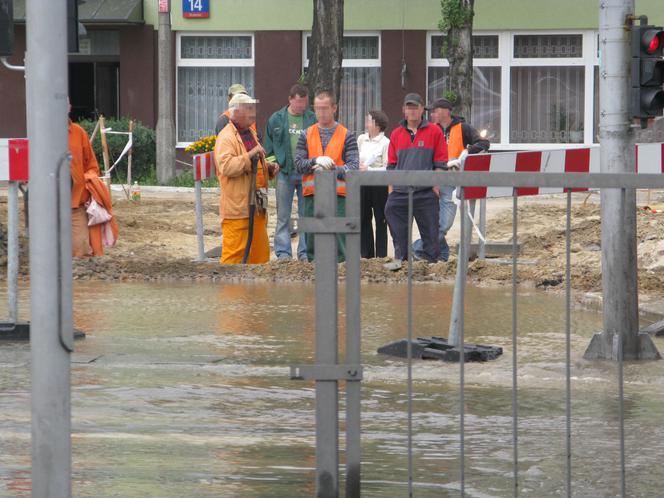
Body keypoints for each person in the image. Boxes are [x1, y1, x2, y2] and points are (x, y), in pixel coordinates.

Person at [413, 98, 490, 261]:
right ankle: (442, 255)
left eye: (435, 110)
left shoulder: (463, 128)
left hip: (450, 180)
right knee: (433, 221)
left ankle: (417, 248)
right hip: (432, 180)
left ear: (446, 111)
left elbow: (483, 143)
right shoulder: (430, 129)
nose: (432, 114)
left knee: (444, 224)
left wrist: (465, 154)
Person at [383, 93, 448, 269]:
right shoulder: (396, 134)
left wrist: (436, 187)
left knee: (430, 236)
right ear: (403, 110)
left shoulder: (435, 131)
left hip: (425, 192)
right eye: (408, 107)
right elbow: (391, 166)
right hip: (400, 192)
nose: (411, 111)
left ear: (422, 109)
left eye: (415, 107)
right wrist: (391, 192)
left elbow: (441, 163)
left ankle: (430, 269)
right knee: (398, 232)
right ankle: (402, 265)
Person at [294, 90, 359, 263]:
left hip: (338, 196)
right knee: (312, 236)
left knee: (340, 237)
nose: (321, 113)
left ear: (334, 108)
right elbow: (299, 164)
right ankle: (313, 267)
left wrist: (331, 170)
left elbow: (353, 167)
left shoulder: (347, 135)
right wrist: (315, 161)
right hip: (312, 194)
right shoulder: (306, 134)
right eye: (318, 108)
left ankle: (342, 268)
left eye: (325, 108)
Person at [215, 93, 277, 264]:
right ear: (236, 111)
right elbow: (226, 167)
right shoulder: (227, 137)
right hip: (239, 210)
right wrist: (250, 155)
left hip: (258, 205)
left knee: (260, 256)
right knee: (234, 257)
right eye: (248, 109)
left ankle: (257, 291)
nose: (253, 113)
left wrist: (267, 168)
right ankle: (231, 291)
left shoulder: (250, 132)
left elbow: (254, 161)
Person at [264, 83, 317, 261]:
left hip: (307, 174)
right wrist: (273, 164)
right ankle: (283, 253)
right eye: (298, 102)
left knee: (305, 214)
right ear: (290, 100)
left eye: (304, 102)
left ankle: (304, 253)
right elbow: (268, 147)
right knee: (283, 216)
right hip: (284, 174)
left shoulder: (312, 119)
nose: (301, 106)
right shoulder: (276, 119)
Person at [68, 102, 101, 258]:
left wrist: (84, 181)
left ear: (69, 107)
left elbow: (92, 167)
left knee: (80, 250)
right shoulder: (42, 134)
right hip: (48, 208)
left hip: (75, 205)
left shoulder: (79, 133)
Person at [357, 110, 390, 258]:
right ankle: (366, 254)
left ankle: (381, 255)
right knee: (364, 217)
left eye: (369, 121)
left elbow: (388, 168)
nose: (366, 124)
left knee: (380, 219)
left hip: (379, 185)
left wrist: (369, 169)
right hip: (363, 184)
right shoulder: (361, 139)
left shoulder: (386, 143)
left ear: (377, 124)